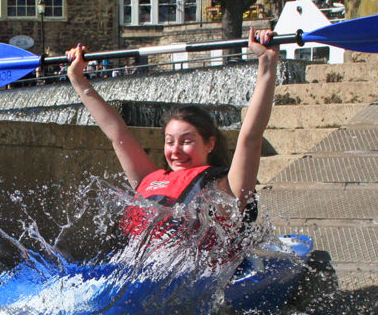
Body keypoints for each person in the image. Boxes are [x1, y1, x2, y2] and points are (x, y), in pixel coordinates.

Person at [65, 28, 278, 234]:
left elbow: (250, 137)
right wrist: (77, 78)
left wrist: (266, 64)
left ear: (210, 144)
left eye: (186, 141)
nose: (175, 151)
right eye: (169, 141)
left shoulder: (226, 189)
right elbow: (117, 133)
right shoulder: (147, 179)